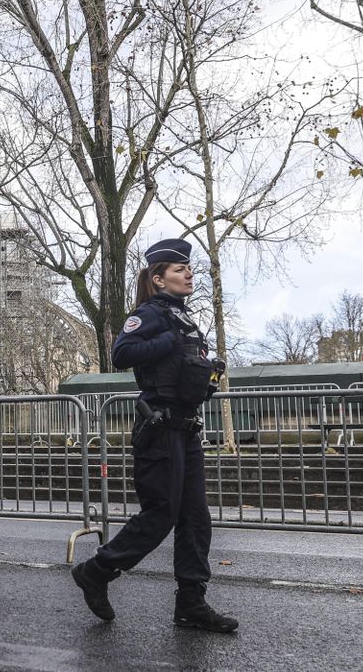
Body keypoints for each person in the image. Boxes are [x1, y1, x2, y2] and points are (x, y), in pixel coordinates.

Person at [70, 238, 237, 633]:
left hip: (186, 427)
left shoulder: (185, 318)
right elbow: (122, 353)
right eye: (180, 270)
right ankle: (97, 570)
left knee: (195, 518)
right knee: (161, 513)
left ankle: (191, 603)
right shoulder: (149, 314)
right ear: (159, 279)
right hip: (159, 428)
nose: (189, 274)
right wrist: (168, 342)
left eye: (189, 269)